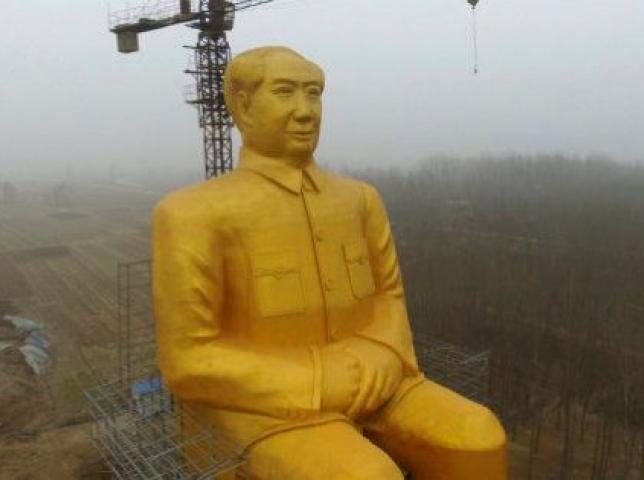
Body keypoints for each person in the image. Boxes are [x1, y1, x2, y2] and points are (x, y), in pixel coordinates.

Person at [153, 46, 507, 479]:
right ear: (243, 106)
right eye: (285, 92)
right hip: (263, 406)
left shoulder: (360, 200)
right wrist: (319, 379)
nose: (306, 112)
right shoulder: (193, 214)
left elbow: (389, 296)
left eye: (314, 94)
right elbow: (187, 359)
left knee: (478, 436)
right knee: (363, 475)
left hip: (377, 381)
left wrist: (384, 353)